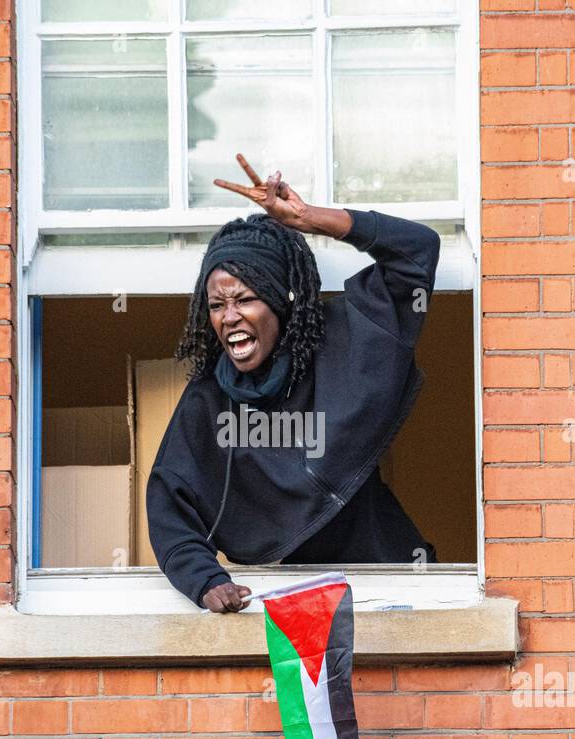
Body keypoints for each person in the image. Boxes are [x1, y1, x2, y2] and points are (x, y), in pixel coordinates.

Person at [146, 154, 440, 613]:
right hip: (288, 607)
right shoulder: (207, 402)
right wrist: (205, 581)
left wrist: (309, 218)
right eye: (217, 304)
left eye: (245, 299)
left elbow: (416, 252)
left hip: (394, 591)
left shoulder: (346, 341)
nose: (229, 317)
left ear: (284, 299)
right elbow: (170, 507)